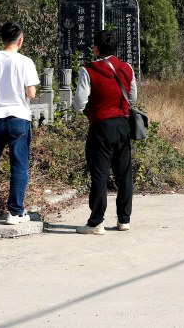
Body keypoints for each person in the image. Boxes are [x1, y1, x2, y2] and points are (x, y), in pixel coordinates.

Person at [73, 29, 137, 234]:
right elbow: (133, 98)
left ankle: (96, 222)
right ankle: (124, 219)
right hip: (123, 125)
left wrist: (87, 110)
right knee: (124, 173)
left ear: (96, 49)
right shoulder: (127, 68)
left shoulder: (88, 70)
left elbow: (79, 103)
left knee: (99, 174)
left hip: (101, 126)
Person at [0, 21, 40, 225]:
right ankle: (15, 212)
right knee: (19, 166)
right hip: (19, 117)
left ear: (2, 38)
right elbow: (31, 93)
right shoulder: (26, 61)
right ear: (20, 40)